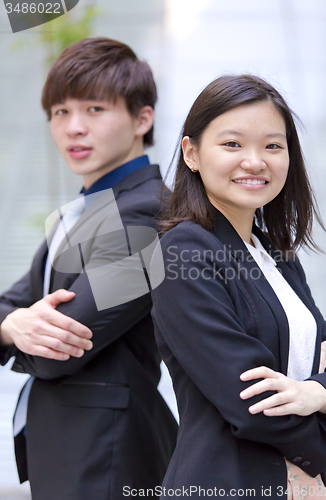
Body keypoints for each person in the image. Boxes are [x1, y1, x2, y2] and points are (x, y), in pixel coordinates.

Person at [0, 37, 177, 500]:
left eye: (95, 110)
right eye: (60, 112)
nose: (73, 128)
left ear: (143, 118)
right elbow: (12, 307)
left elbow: (64, 343)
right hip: (74, 448)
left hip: (108, 455)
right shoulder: (86, 210)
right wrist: (12, 324)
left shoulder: (150, 215)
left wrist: (16, 328)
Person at [151, 75, 326, 499]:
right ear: (191, 153)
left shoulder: (278, 254)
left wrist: (312, 391)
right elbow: (251, 401)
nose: (255, 161)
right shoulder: (182, 251)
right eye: (232, 144)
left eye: (273, 146)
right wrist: (317, 441)